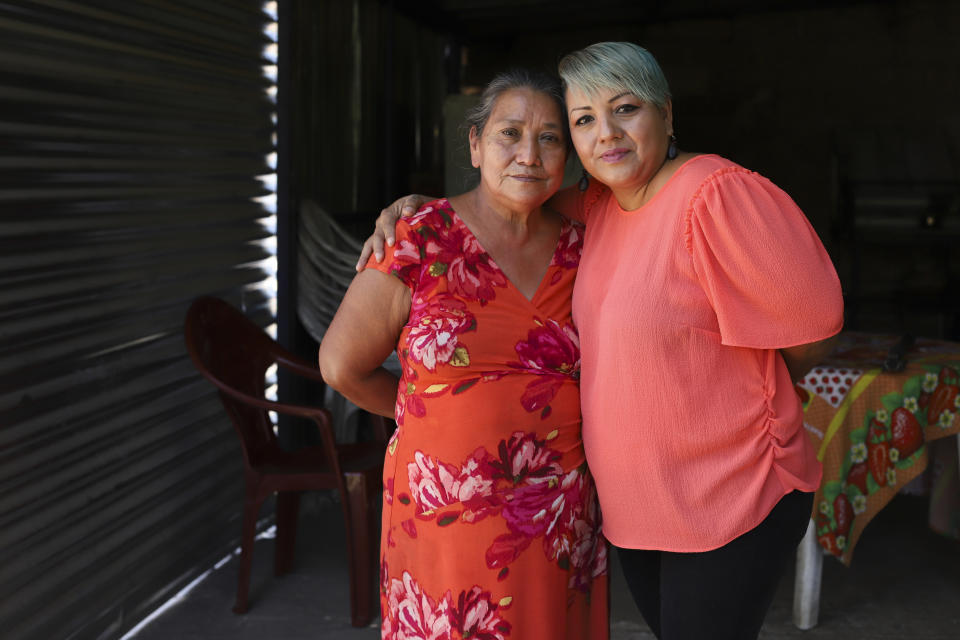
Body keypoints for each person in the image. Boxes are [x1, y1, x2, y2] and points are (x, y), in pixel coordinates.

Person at [359, 42, 844, 640]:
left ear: (666, 114)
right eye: (585, 120)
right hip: (637, 512)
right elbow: (505, 201)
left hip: (728, 494)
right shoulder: (600, 205)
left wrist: (754, 396)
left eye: (626, 109)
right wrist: (419, 211)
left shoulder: (711, 193)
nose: (606, 133)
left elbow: (813, 331)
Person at [318, 68, 609, 640]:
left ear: (568, 158)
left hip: (557, 511)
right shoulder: (420, 238)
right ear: (475, 146)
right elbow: (340, 366)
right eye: (510, 134)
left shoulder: (589, 243)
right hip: (445, 512)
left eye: (550, 137)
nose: (529, 153)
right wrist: (425, 417)